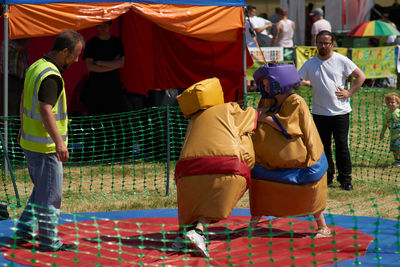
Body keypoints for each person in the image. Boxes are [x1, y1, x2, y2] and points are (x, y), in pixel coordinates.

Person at [12, 30, 84, 252]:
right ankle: (49, 241)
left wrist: (23, 127)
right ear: (64, 51)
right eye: (75, 55)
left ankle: (24, 229)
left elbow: (25, 96)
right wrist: (60, 144)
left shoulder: (36, 65)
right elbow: (45, 110)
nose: (77, 60)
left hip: (31, 143)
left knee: (41, 190)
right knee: (51, 195)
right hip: (45, 147)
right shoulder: (52, 75)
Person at [172, 77, 259, 257]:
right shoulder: (229, 109)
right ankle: (198, 231)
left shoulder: (194, 120)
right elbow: (252, 117)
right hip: (225, 166)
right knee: (218, 199)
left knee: (192, 200)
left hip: (186, 171)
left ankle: (182, 234)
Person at [249, 63, 331, 238]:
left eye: (266, 83)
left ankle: (322, 227)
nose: (263, 87)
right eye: (262, 83)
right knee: (263, 190)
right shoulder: (268, 100)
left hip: (300, 160)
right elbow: (260, 115)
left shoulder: (295, 101)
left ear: (278, 82)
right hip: (268, 161)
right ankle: (253, 224)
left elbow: (290, 125)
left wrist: (266, 118)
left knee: (308, 191)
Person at [299, 31, 366, 191]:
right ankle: (327, 176)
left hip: (340, 113)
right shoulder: (309, 63)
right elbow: (297, 78)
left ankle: (345, 179)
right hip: (319, 113)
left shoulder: (341, 60)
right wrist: (307, 83)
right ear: (315, 43)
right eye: (320, 42)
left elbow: (360, 76)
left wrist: (349, 92)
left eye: (326, 43)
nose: (323, 46)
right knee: (323, 147)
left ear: (332, 44)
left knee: (342, 146)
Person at [82, 20, 126, 115]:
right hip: (96, 88)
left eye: (105, 26)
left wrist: (100, 62)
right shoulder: (91, 43)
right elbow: (90, 67)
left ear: (110, 26)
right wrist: (112, 65)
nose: (102, 29)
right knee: (96, 116)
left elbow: (120, 63)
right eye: (100, 26)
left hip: (113, 88)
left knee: (113, 117)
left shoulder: (116, 42)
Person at [0, 38, 30, 116]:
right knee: (11, 111)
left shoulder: (23, 51)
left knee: (19, 110)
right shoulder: (8, 41)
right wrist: (29, 36)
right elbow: (19, 47)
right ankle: (8, 128)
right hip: (10, 81)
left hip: (20, 82)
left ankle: (17, 127)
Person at [380, 92, 400, 167]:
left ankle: (398, 161)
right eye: (388, 102)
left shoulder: (398, 113)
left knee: (398, 148)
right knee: (394, 149)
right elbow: (385, 125)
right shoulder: (387, 114)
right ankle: (397, 161)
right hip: (393, 135)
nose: (390, 104)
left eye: (393, 102)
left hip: (399, 135)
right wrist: (382, 133)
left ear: (398, 103)